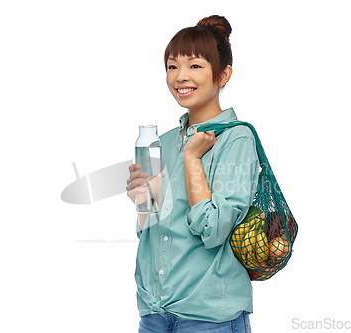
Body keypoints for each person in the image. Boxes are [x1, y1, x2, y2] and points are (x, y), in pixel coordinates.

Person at [126, 15, 260, 333]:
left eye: (195, 66)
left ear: (223, 74)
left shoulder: (237, 138)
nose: (180, 76)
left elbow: (212, 230)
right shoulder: (166, 141)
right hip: (155, 310)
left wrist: (191, 159)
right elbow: (154, 231)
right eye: (172, 66)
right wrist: (144, 202)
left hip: (209, 316)